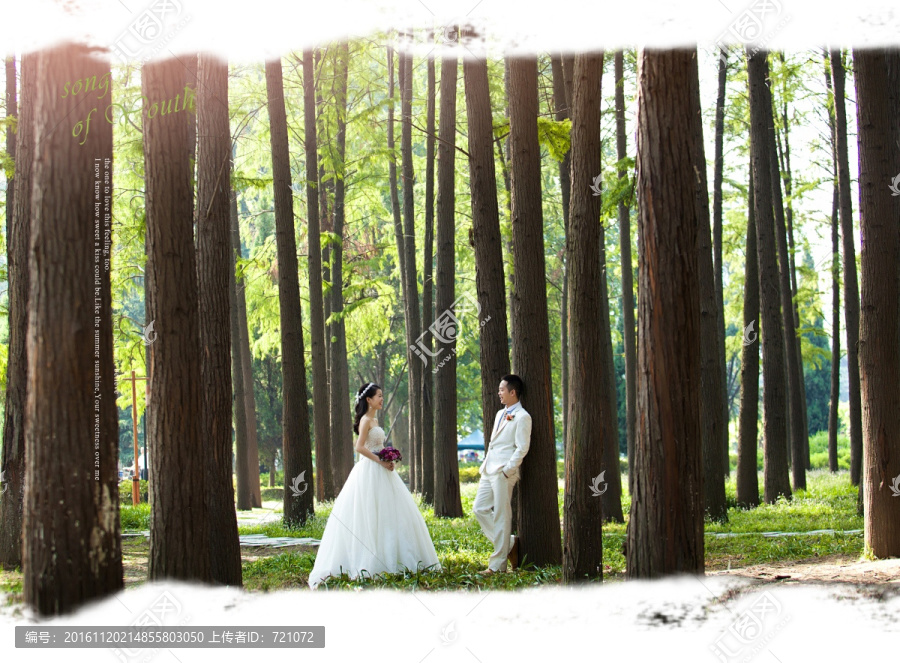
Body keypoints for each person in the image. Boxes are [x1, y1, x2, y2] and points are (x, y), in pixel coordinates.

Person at [308, 382, 442, 589]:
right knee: (369, 514)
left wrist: (388, 457)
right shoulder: (365, 421)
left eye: (382, 395)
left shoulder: (376, 419)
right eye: (378, 396)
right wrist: (380, 460)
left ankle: (395, 558)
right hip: (369, 471)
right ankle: (369, 561)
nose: (382, 398)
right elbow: (359, 447)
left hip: (382, 470)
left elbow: (376, 445)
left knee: (390, 514)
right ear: (368, 399)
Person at [473, 374, 532, 575]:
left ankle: (497, 566)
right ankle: (510, 543)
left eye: (502, 390)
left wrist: (508, 470)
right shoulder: (500, 414)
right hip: (488, 469)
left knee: (501, 515)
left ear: (513, 392)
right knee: (479, 509)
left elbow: (522, 447)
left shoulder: (523, 417)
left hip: (503, 472)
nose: (499, 393)